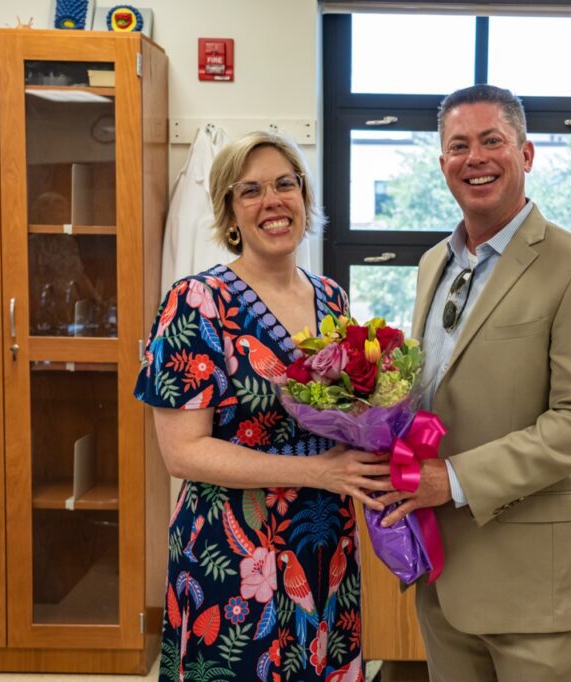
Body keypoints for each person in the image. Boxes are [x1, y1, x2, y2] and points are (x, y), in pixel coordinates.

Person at [377, 85, 571, 681]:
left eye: (493, 141)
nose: (476, 158)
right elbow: (439, 388)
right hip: (444, 568)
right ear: (442, 164)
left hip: (530, 579)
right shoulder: (433, 264)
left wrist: (455, 479)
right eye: (458, 146)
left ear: (527, 153)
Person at [135, 130, 388, 682]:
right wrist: (318, 470)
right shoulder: (196, 302)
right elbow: (183, 454)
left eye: (284, 184)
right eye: (250, 191)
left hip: (324, 542)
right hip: (235, 551)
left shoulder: (331, 299)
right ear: (229, 212)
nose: (272, 201)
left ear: (304, 197)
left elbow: (344, 410)